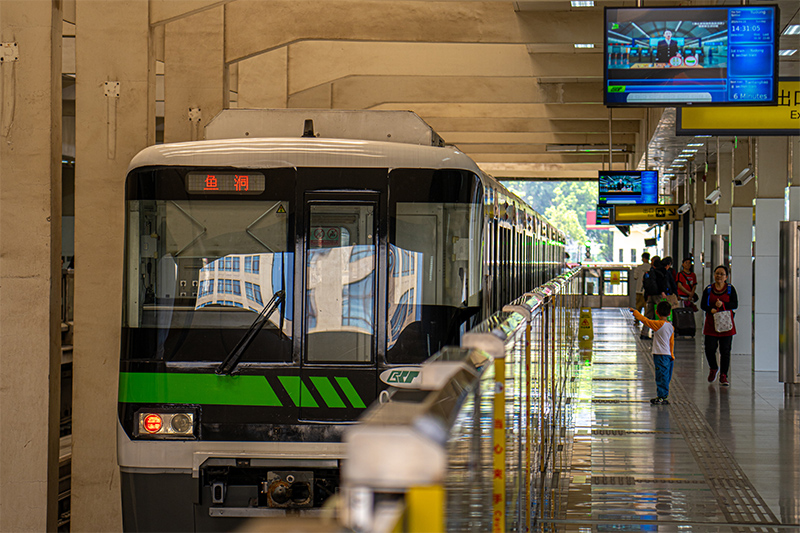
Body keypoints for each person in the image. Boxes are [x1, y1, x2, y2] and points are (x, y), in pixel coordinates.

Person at [700, 265, 739, 387]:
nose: (719, 276)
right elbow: (702, 305)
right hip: (711, 324)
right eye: (717, 273)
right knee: (709, 349)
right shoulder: (708, 289)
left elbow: (735, 304)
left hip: (726, 325)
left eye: (722, 274)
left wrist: (723, 304)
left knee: (725, 350)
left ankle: (724, 375)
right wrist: (711, 309)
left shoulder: (730, 289)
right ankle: (713, 367)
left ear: (726, 277)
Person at [630, 300, 675, 405]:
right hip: (668, 355)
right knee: (665, 375)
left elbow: (645, 321)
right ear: (669, 313)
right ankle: (663, 395)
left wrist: (636, 313)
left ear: (656, 312)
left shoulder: (658, 324)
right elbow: (671, 342)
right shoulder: (670, 326)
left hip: (660, 355)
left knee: (661, 375)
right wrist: (672, 355)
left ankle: (662, 397)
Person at [641, 256, 667, 338]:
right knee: (660, 314)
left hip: (650, 295)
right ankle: (659, 332)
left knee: (648, 315)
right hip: (658, 295)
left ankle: (644, 333)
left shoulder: (649, 272)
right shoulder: (661, 272)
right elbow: (661, 283)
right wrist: (663, 291)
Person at [632, 252, 651, 325]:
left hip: (639, 289)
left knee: (638, 305)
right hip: (648, 290)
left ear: (643, 258)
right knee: (647, 306)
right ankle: (646, 321)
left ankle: (637, 319)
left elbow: (635, 277)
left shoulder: (638, 268)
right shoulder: (651, 267)